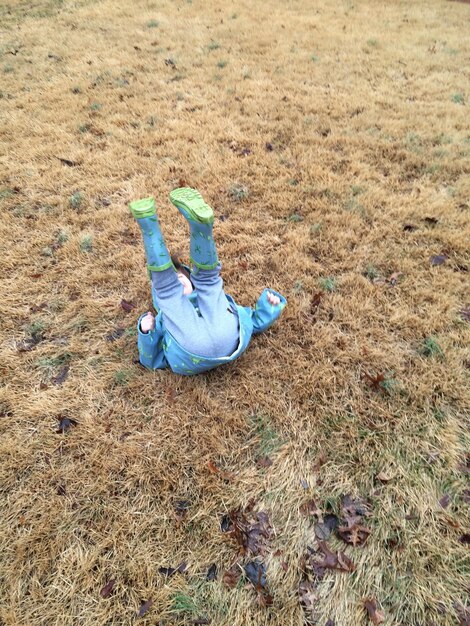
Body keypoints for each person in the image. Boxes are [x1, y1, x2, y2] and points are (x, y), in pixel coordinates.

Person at [129, 188, 287, 375]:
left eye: (180, 277)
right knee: (203, 282)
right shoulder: (164, 317)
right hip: (200, 347)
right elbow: (152, 359)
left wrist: (266, 308)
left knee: (198, 285)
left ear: (191, 282)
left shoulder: (206, 302)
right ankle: (189, 229)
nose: (177, 282)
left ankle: (164, 226)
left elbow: (247, 320)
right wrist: (147, 332)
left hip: (226, 335)